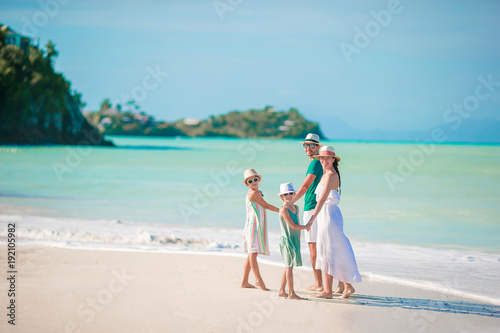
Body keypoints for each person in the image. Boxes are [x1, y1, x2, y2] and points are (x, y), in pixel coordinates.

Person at [306, 146, 362, 299]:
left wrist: (312, 217)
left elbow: (323, 198)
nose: (324, 160)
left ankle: (328, 291)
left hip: (329, 214)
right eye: (322, 158)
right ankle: (347, 286)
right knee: (329, 250)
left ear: (332, 160)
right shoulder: (325, 175)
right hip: (325, 214)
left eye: (327, 158)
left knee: (327, 251)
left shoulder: (331, 175)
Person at [292, 133, 324, 292]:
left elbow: (305, 186)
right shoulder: (319, 162)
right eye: (306, 145)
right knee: (323, 246)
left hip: (312, 206)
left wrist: (290, 202)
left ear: (318, 147)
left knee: (313, 248)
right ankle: (338, 284)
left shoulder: (315, 163)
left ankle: (319, 284)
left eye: (312, 145)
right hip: (319, 206)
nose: (308, 148)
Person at [241, 168, 279, 291]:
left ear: (259, 179)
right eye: (250, 181)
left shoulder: (257, 192)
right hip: (254, 224)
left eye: (255, 179)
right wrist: (282, 210)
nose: (253, 182)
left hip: (254, 223)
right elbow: (266, 205)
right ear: (247, 184)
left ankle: (245, 281)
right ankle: (258, 279)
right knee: (253, 252)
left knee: (252, 253)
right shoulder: (254, 193)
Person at [277, 182, 311, 300]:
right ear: (282, 196)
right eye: (286, 194)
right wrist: (306, 227)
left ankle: (282, 291)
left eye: (291, 193)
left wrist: (299, 238)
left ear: (294, 194)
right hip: (287, 241)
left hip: (295, 239)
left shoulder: (296, 207)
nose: (289, 196)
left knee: (288, 266)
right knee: (289, 267)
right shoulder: (283, 210)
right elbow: (293, 226)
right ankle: (291, 293)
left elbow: (296, 224)